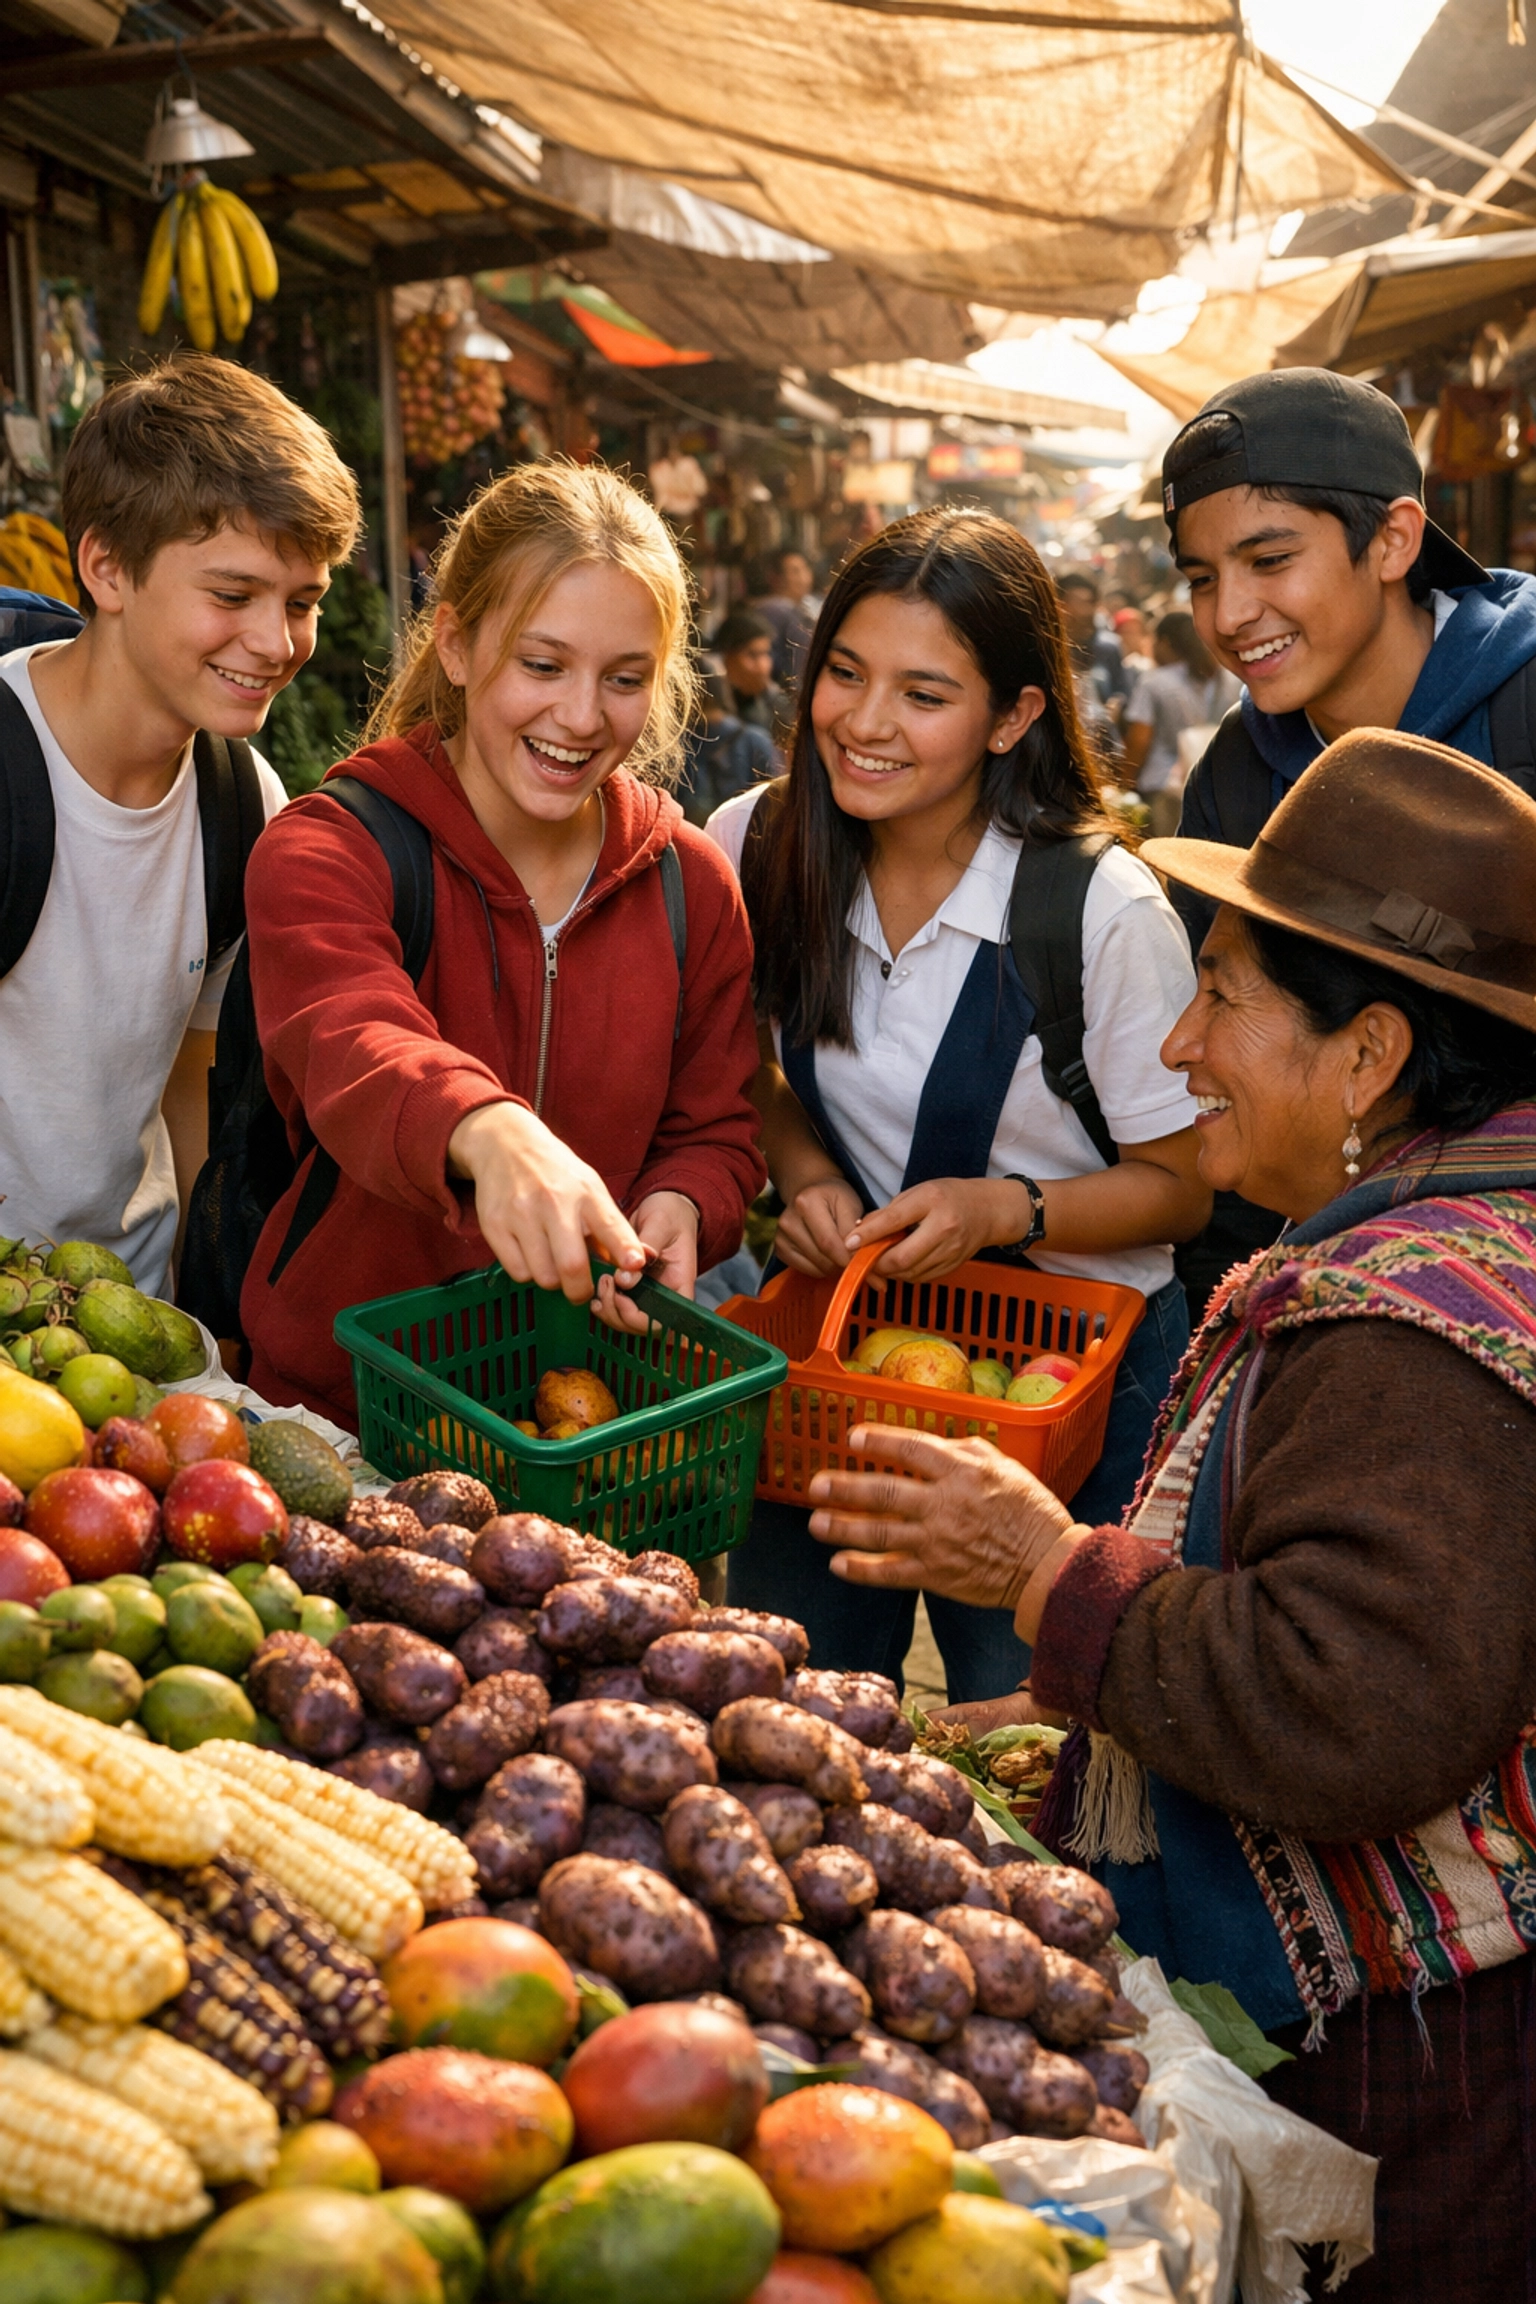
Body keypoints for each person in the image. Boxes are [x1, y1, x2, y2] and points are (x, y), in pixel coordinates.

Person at [802, 727, 1536, 2303]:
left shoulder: (1405, 1334)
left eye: (1224, 999)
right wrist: (1062, 1711)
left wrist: (1045, 1568)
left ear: (1370, 1056)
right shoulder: (1475, 1224)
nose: (1184, 1047)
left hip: (1433, 2075)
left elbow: (1360, 1707)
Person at [707, 505, 1208, 1703]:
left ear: (1015, 716)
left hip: (1071, 1399)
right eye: (844, 673)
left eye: (924, 695)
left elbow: (1186, 1185)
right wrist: (810, 1174)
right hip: (845, 1373)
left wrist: (1007, 1210)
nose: (865, 724)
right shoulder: (755, 842)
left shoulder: (1101, 912)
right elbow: (738, 1062)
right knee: (797, 1701)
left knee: (1029, 1738)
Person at [239, 461, 765, 1424]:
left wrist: (686, 1201)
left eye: (624, 679)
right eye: (542, 664)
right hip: (343, 1410)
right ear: (456, 643)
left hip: (587, 1417)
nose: (579, 716)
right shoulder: (330, 848)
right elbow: (354, 1037)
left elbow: (717, 1129)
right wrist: (493, 1131)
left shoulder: (693, 886)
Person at [1166, 365, 1536, 1314]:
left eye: (1269, 559)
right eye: (1203, 578)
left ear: (1395, 540)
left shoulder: (1529, 707)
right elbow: (1237, 1054)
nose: (1230, 614)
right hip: (1348, 1274)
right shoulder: (1238, 776)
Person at [0, 355, 356, 1298]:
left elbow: (195, 1082)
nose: (277, 644)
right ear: (107, 567)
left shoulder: (243, 802)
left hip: (133, 1324)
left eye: (303, 602)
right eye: (233, 596)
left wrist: (213, 1308)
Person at [1122, 611, 1239, 838]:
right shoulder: (1229, 678)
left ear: (1165, 643)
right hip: (1219, 787)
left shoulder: (1154, 683)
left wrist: (1124, 783)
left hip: (1165, 788)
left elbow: (1139, 740)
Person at [675, 685, 777, 828]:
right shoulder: (756, 741)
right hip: (748, 837)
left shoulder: (676, 746)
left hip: (692, 834)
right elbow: (776, 803)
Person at [707, 608, 792, 745]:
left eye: (766, 654)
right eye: (752, 655)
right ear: (726, 657)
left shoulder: (774, 704)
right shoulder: (709, 709)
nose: (763, 665)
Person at [1055, 573, 1130, 718]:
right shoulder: (1047, 648)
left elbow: (1122, 691)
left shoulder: (1108, 648)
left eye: (1091, 603)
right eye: (1081, 603)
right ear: (1059, 605)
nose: (1088, 611)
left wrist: (1117, 705)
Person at [753, 546, 822, 686]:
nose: (803, 577)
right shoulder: (775, 609)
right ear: (775, 578)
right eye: (795, 571)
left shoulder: (808, 606)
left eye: (805, 569)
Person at [1110, 604, 1152, 679]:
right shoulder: (1114, 664)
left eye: (1137, 632)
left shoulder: (1150, 661)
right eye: (1127, 632)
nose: (1133, 638)